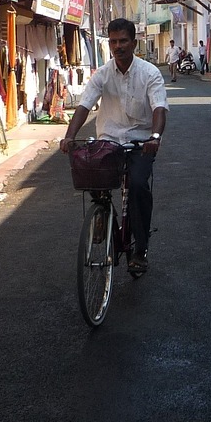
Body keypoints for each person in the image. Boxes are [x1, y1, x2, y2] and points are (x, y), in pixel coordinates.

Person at [60, 18, 168, 274]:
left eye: (123, 41)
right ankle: (101, 214)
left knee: (139, 185)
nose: (117, 46)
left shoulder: (149, 73)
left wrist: (154, 136)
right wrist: (69, 136)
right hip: (108, 141)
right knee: (92, 174)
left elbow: (159, 107)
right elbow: (85, 105)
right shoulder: (103, 74)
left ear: (134, 42)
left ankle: (140, 249)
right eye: (113, 41)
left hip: (140, 143)